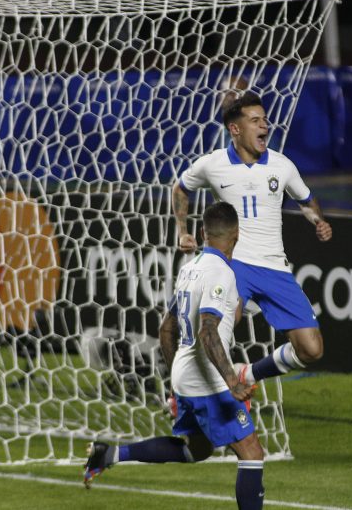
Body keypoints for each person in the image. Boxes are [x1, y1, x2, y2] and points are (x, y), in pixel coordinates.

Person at [83, 202, 266, 510]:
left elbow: (166, 329)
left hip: (184, 374)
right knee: (252, 452)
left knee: (197, 450)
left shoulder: (189, 269)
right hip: (208, 380)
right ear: (236, 235)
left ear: (203, 233)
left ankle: (110, 454)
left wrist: (174, 382)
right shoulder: (221, 273)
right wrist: (232, 382)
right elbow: (208, 332)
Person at [173, 92, 332, 392]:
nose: (264, 126)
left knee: (311, 349)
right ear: (235, 129)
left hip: (274, 267)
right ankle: (187, 394)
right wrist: (182, 230)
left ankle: (248, 374)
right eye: (255, 120)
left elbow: (307, 201)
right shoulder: (213, 164)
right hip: (233, 265)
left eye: (265, 120)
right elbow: (180, 188)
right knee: (215, 332)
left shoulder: (282, 166)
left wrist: (317, 221)